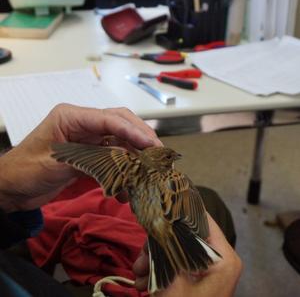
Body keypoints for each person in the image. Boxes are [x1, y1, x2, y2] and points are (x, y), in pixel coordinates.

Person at [0, 103, 242, 296]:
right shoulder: (175, 179)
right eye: (169, 157)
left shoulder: (129, 163)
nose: (173, 158)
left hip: (20, 269)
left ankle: (168, 257)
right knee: (205, 205)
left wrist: (5, 185)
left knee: (201, 206)